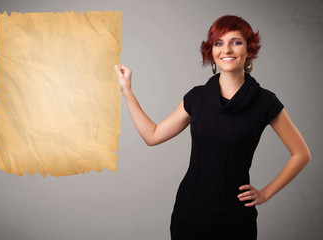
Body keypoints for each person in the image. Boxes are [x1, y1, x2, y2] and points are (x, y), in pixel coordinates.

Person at [114, 15, 311, 240]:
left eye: (236, 42)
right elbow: (153, 135)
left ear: (249, 50)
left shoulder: (265, 102)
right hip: (190, 211)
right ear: (212, 51)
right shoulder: (196, 98)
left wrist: (265, 193)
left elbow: (301, 154)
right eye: (219, 43)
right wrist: (128, 92)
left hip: (236, 218)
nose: (226, 49)